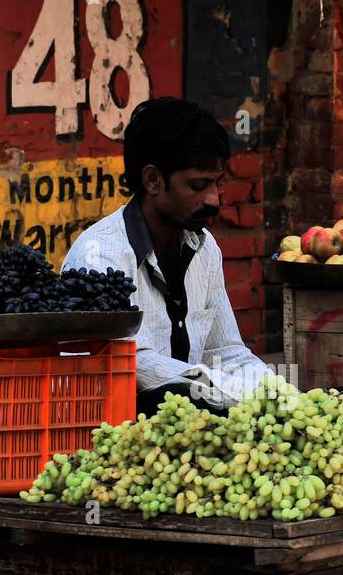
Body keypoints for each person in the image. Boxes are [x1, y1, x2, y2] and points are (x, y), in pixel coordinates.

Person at [61, 97, 269, 416]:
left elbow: (226, 352)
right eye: (198, 186)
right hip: (114, 431)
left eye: (217, 183)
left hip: (189, 422)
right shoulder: (100, 257)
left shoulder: (205, 248)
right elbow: (133, 362)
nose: (214, 198)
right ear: (153, 180)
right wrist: (223, 390)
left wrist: (281, 395)